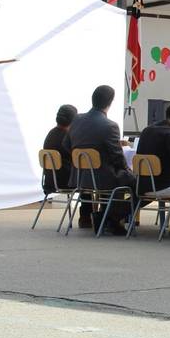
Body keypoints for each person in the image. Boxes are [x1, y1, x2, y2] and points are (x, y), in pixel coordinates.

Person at [62, 85, 134, 234]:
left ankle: (103, 216)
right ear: (110, 102)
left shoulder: (76, 120)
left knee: (123, 179)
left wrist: (82, 161)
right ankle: (109, 217)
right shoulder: (110, 126)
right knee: (137, 183)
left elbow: (66, 145)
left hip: (80, 176)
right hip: (102, 177)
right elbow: (117, 157)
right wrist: (128, 170)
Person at [42, 104, 77, 195]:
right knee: (89, 181)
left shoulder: (51, 133)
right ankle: (88, 209)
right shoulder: (68, 137)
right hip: (66, 182)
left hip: (50, 181)